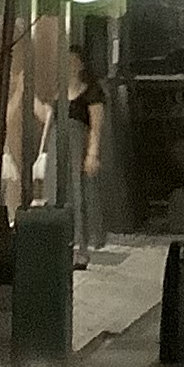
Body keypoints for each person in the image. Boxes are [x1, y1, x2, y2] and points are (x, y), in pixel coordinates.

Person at [63, 47, 106, 253]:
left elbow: (96, 127)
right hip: (62, 150)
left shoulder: (92, 91)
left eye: (73, 61)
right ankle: (69, 235)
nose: (70, 65)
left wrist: (92, 153)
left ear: (81, 64)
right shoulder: (60, 91)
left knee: (84, 192)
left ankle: (86, 238)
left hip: (81, 147)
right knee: (66, 192)